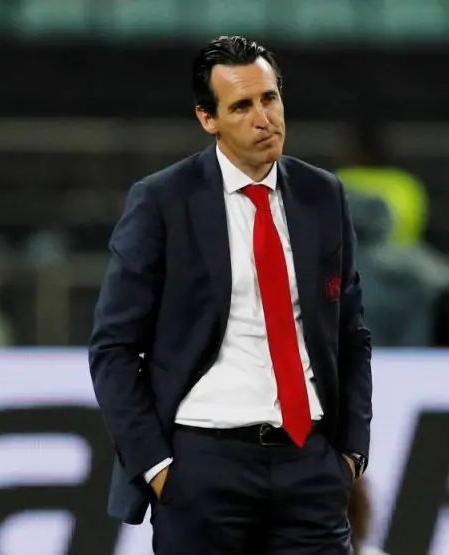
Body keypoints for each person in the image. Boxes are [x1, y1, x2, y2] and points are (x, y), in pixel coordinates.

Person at [88, 35, 372, 555]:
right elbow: (113, 347)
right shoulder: (163, 201)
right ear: (208, 119)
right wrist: (158, 468)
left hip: (309, 465)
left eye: (270, 98)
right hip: (202, 466)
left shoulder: (322, 194)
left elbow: (351, 333)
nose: (264, 119)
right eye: (242, 106)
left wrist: (351, 453)